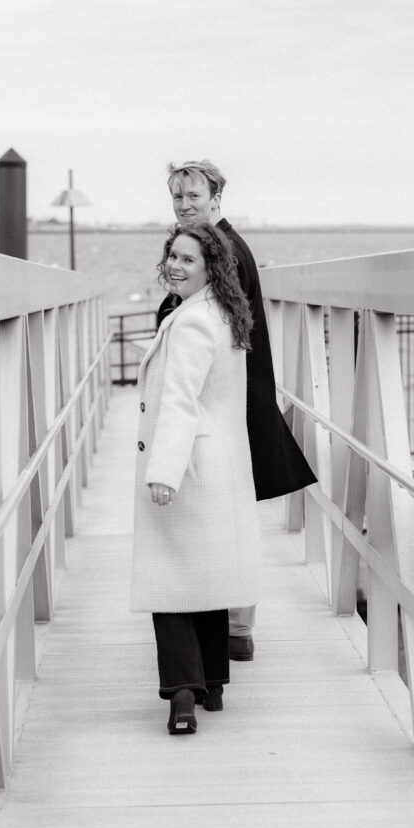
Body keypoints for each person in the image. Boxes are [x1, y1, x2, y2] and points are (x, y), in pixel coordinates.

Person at [157, 161, 317, 661]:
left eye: (193, 195)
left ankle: (237, 628)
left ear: (216, 196)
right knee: (230, 513)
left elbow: (220, 323)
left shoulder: (222, 248)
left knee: (226, 515)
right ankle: (236, 626)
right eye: (177, 196)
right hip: (234, 394)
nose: (184, 204)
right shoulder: (217, 243)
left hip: (231, 398)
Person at [131, 222, 260, 735]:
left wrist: (162, 471)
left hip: (188, 462)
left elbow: (180, 401)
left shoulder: (190, 323)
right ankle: (214, 685)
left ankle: (182, 694)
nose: (177, 266)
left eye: (188, 259)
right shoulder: (222, 313)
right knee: (205, 572)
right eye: (173, 257)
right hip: (219, 459)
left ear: (210, 266)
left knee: (169, 580)